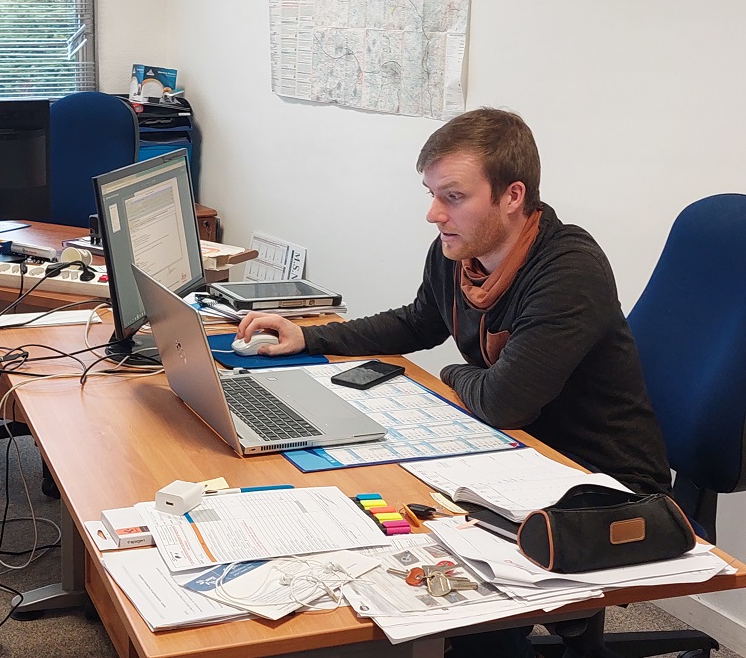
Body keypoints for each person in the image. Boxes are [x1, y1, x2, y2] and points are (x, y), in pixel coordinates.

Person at [236, 107, 671, 658]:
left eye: (454, 196)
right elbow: (420, 321)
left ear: (512, 196)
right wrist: (310, 336)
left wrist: (453, 371)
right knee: (380, 510)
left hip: (598, 481)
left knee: (440, 568)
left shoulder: (568, 270)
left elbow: (503, 401)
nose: (434, 213)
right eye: (432, 194)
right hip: (514, 452)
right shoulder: (459, 250)